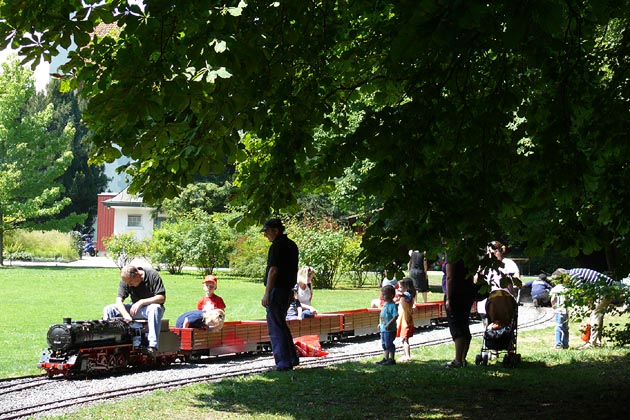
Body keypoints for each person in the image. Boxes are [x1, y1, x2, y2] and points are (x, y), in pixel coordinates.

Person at [260, 218, 300, 371]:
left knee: (275, 327)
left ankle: (283, 363)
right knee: (281, 324)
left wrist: (267, 293)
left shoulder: (277, 246)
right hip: (288, 289)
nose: (265, 235)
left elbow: (273, 270)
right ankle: (291, 358)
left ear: (275, 230)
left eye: (267, 231)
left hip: (277, 290)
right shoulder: (291, 245)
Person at [103, 264, 166, 356]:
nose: (129, 285)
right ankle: (110, 342)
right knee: (109, 309)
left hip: (149, 308)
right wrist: (125, 315)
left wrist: (141, 302)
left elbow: (161, 298)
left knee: (155, 308)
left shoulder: (152, 275)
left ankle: (152, 346)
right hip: (134, 309)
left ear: (137, 274)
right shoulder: (126, 280)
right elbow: (118, 301)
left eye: (131, 282)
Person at [553, 267, 615, 349]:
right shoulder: (573, 272)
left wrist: (588, 302)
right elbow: (588, 290)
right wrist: (591, 304)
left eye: (561, 281)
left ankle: (592, 343)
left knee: (596, 315)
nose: (562, 283)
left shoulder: (573, 276)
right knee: (597, 314)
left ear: (564, 276)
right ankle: (596, 342)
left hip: (606, 289)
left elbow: (583, 291)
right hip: (605, 288)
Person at [444, 258, 476, 368]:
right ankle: (462, 359)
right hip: (467, 293)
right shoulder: (467, 255)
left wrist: (448, 298)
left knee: (457, 328)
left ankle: (458, 360)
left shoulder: (452, 256)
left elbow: (450, 277)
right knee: (464, 325)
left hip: (455, 295)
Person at [477, 241, 520, 322]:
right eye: (488, 252)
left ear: (499, 251)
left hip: (505, 303)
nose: (490, 255)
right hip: (486, 304)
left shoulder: (508, 263)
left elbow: (516, 279)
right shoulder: (483, 265)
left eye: (493, 252)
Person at [377, 284, 399, 365]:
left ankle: (391, 359)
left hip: (389, 329)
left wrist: (389, 324)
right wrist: (380, 323)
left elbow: (396, 316)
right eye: (382, 294)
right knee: (384, 344)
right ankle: (385, 358)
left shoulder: (392, 305)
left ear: (391, 295)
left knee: (389, 343)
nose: (383, 296)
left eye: (384, 295)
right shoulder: (385, 305)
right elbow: (382, 315)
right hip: (383, 328)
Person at [396, 278, 417, 362]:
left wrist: (398, 293)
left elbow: (404, 296)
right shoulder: (406, 295)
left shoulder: (407, 295)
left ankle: (407, 356)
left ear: (406, 287)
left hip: (406, 320)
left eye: (400, 287)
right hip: (403, 319)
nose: (399, 289)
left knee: (405, 339)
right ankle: (405, 354)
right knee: (403, 338)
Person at [550, 276, 570, 349]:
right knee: (565, 328)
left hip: (559, 310)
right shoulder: (566, 289)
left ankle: (558, 344)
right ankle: (565, 344)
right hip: (566, 310)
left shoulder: (555, 289)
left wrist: (553, 307)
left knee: (558, 327)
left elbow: (553, 299)